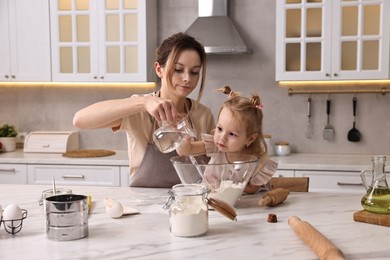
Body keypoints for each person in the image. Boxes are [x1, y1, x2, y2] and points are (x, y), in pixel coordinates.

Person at [73, 32, 215, 188]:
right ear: (159, 69)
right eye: (178, 70)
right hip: (144, 204)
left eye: (194, 72)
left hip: (190, 202)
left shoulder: (203, 115)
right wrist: (143, 102)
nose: (187, 78)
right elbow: (80, 120)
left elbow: (215, 162)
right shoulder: (139, 110)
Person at [176, 86, 278, 193]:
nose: (222, 138)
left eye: (232, 134)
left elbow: (252, 190)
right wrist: (184, 138)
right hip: (209, 199)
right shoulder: (215, 146)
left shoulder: (256, 162)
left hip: (242, 205)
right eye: (220, 129)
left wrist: (228, 188)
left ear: (250, 139)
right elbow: (185, 151)